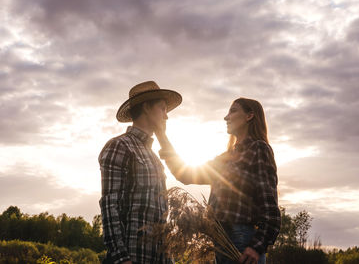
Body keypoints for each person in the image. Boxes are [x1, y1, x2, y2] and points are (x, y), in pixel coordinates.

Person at [156, 98, 281, 264]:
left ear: (250, 115)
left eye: (233, 111)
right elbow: (185, 174)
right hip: (222, 241)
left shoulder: (258, 149)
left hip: (243, 241)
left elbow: (270, 207)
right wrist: (162, 136)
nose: (226, 117)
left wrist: (257, 246)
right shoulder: (226, 158)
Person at [99, 81, 182, 264]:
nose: (166, 116)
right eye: (162, 108)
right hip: (133, 256)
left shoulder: (151, 154)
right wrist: (121, 258)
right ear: (146, 107)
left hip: (158, 256)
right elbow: (110, 206)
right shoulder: (119, 146)